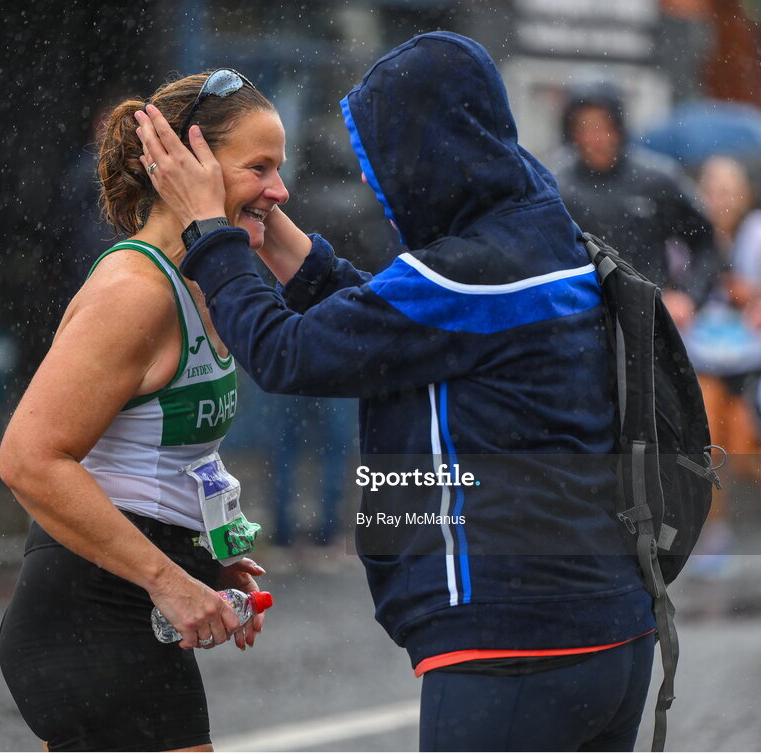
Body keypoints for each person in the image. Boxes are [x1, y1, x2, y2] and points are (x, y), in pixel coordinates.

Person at [136, 32, 656, 751]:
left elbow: (286, 354)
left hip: (512, 643)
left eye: (385, 155)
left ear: (427, 151)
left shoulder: (465, 273)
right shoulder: (535, 236)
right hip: (614, 634)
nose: (383, 179)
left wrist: (208, 231)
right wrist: (266, 224)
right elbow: (400, 326)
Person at [0, 70, 279, 751]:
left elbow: (156, 452)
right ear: (191, 166)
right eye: (260, 168)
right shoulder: (135, 291)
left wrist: (206, 557)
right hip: (89, 613)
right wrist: (168, 579)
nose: (279, 191)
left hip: (127, 605)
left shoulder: (200, 281)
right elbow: (28, 460)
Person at [548, 82, 719, 329]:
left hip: (648, 322)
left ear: (618, 127)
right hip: (579, 323)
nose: (594, 137)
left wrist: (690, 297)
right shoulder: (556, 185)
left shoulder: (656, 180)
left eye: (602, 126)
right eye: (584, 127)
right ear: (571, 131)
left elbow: (705, 240)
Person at [685, 156, 761, 575]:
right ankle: (715, 531)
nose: (722, 198)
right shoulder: (687, 232)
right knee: (709, 439)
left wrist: (756, 300)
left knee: (744, 450)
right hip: (704, 352)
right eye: (714, 189)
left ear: (744, 194)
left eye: (730, 189)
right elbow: (674, 286)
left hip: (749, 356)